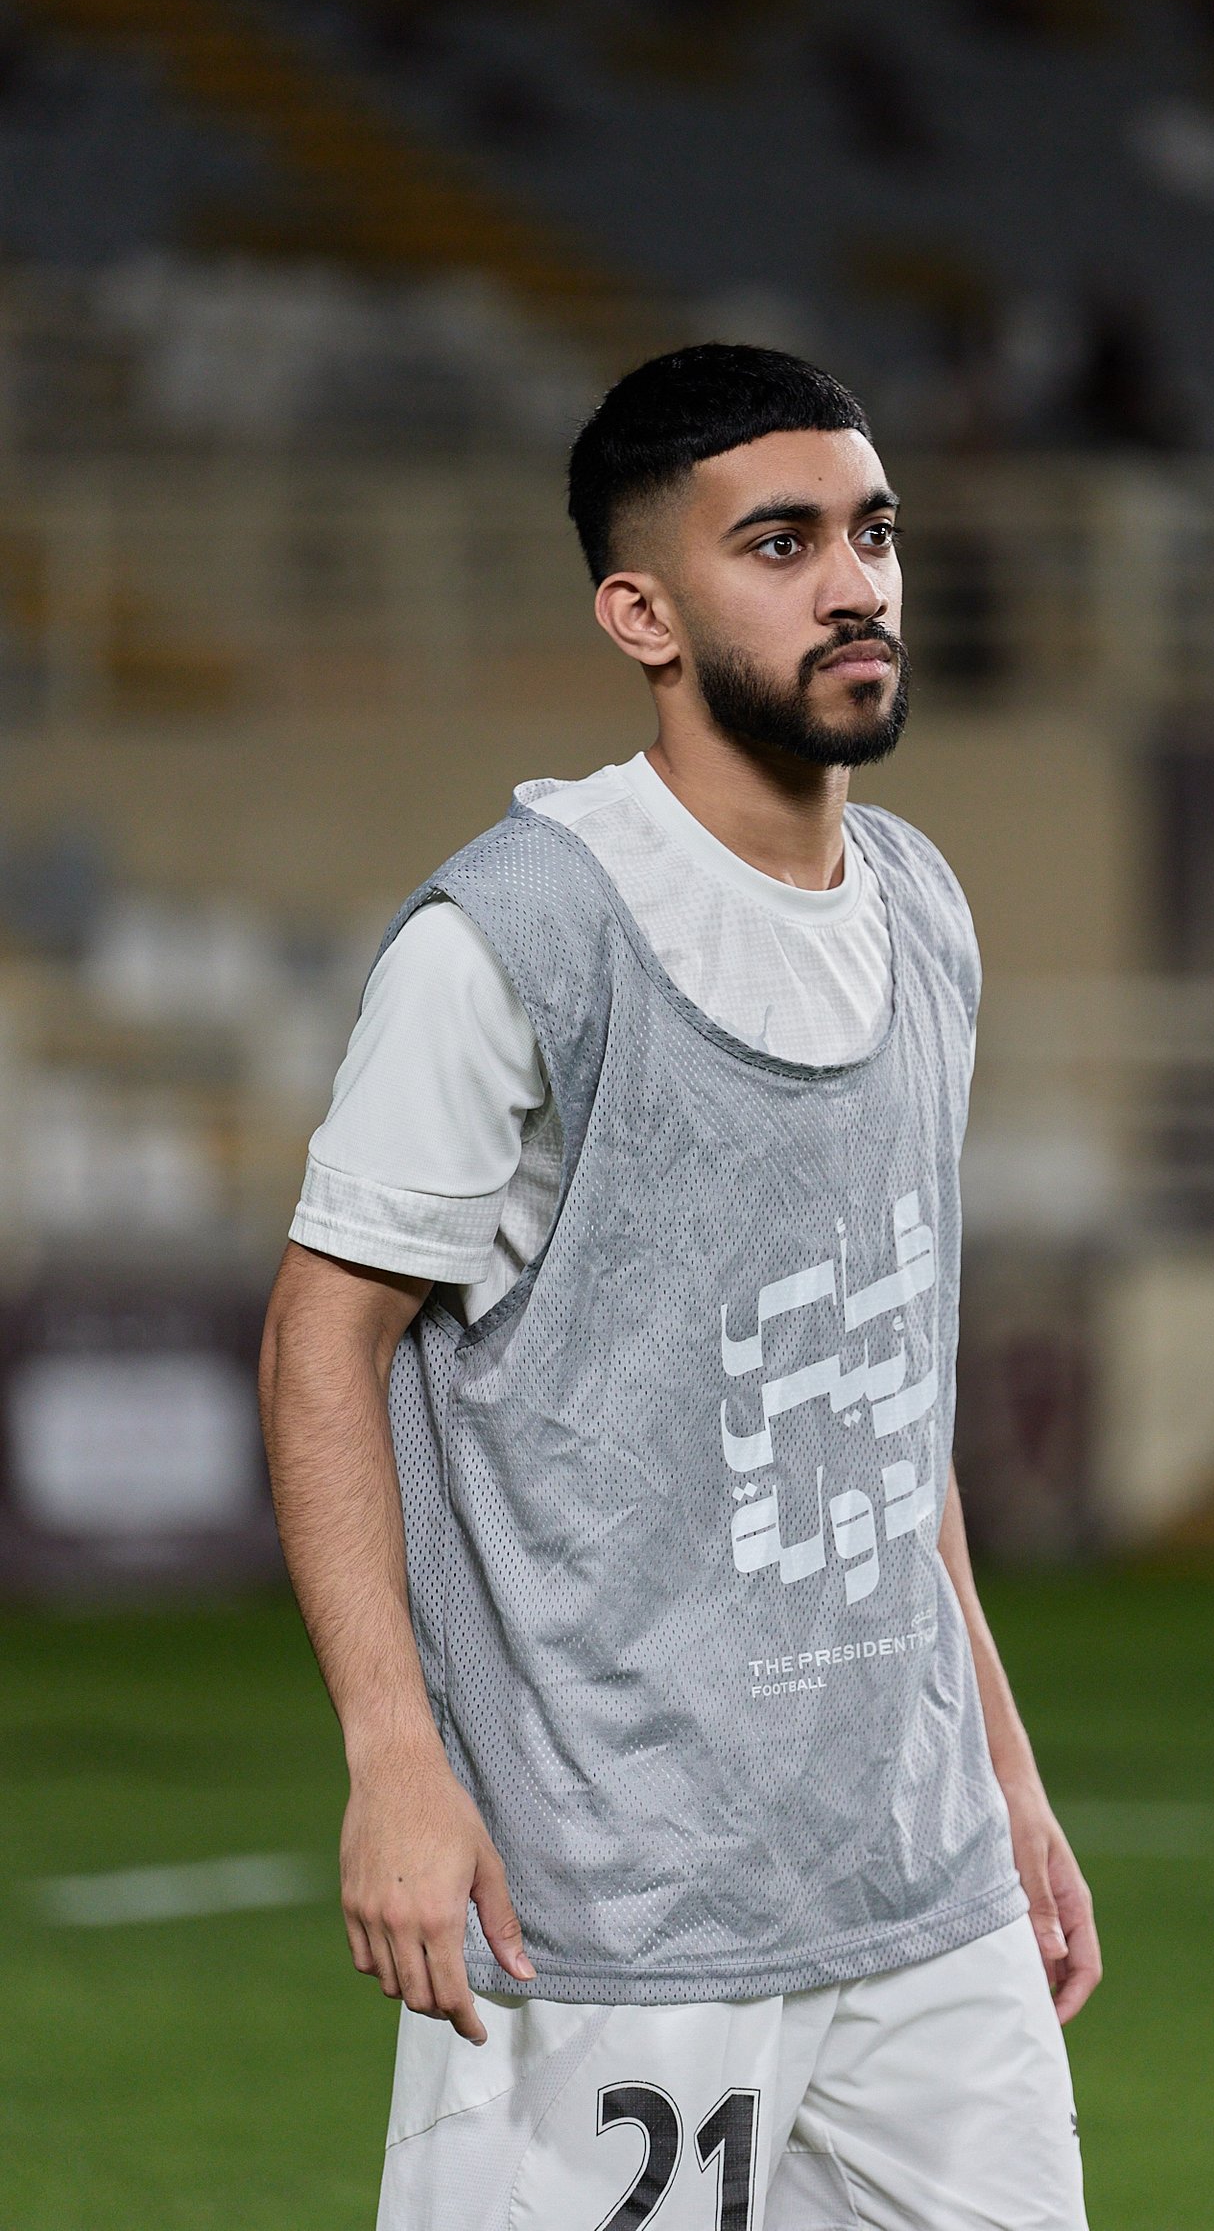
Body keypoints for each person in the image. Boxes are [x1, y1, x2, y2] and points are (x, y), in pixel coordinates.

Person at [259, 344, 1100, 2231]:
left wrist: (1004, 1776)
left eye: (874, 532)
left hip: (924, 1900)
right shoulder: (515, 938)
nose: (854, 584)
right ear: (640, 612)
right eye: (781, 544)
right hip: (606, 1911)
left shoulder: (923, 910)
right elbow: (322, 1340)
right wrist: (393, 1758)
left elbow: (892, 1407)